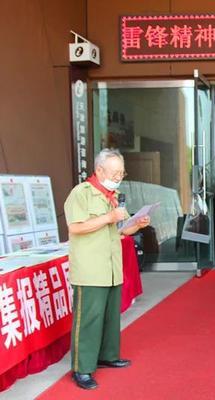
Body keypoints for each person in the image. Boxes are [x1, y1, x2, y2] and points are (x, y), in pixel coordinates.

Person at [64, 149, 151, 390]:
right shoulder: (81, 193)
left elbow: (120, 230)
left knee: (111, 316)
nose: (119, 177)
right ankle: (82, 368)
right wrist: (109, 217)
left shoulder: (113, 194)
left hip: (112, 266)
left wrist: (137, 224)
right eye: (114, 172)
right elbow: (76, 227)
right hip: (90, 268)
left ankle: (107, 355)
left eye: (121, 172)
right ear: (99, 170)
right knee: (89, 318)